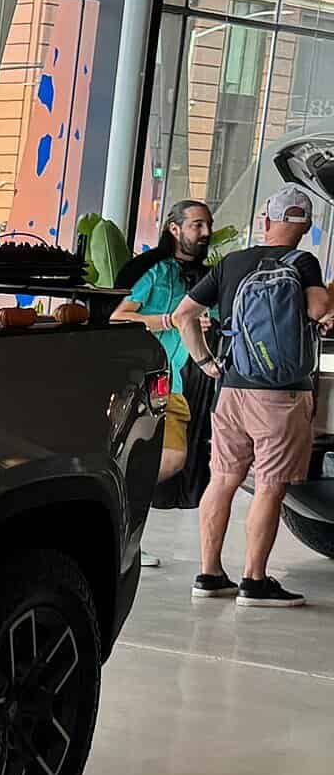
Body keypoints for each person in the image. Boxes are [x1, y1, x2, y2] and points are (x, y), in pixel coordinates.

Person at [172, 184, 331, 608]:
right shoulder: (303, 262)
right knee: (270, 485)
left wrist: (206, 362)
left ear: (267, 219)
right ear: (306, 227)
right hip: (281, 396)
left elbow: (184, 315)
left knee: (223, 479)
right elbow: (318, 310)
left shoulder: (233, 262)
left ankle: (209, 575)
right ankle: (254, 582)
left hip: (231, 389)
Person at [111, 199, 213, 562]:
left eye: (207, 225)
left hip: (173, 383)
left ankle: (120, 533)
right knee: (165, 459)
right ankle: (119, 535)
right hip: (141, 381)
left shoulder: (202, 277)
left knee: (171, 459)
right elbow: (119, 317)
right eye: (197, 225)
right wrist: (169, 320)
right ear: (174, 228)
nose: (205, 232)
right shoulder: (154, 272)